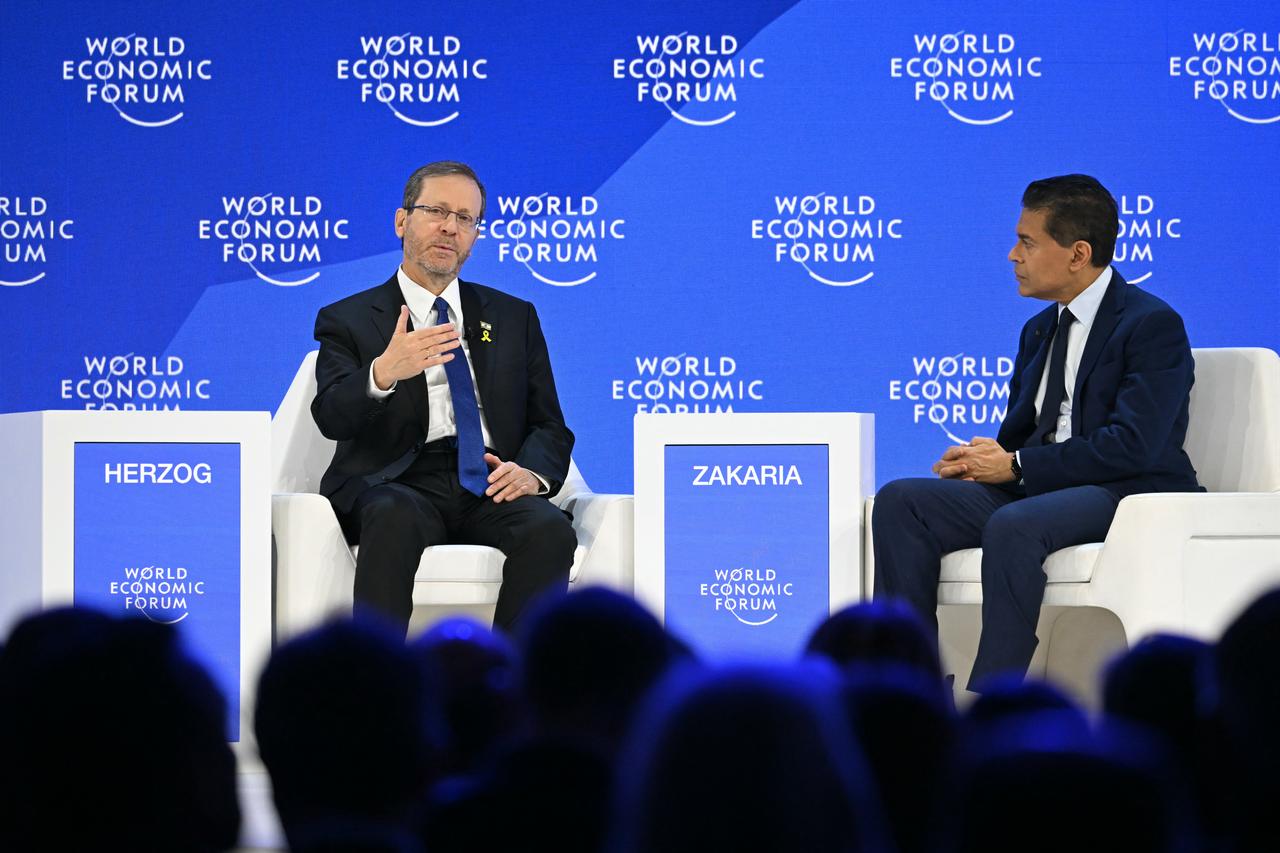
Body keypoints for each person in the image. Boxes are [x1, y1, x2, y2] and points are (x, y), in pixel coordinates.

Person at [872, 174, 1201, 689]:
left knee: (1015, 525)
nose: (1012, 255)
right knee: (902, 502)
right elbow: (1025, 437)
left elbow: (1136, 444)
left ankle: (995, 697)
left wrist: (1018, 466)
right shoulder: (1040, 328)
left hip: (1125, 488)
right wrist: (986, 461)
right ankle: (902, 687)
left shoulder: (1151, 325)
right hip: (1043, 486)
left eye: (1027, 242)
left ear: (1077, 254)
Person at [311, 160, 576, 635]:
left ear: (475, 235)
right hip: (398, 482)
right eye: (436, 211)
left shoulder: (515, 317)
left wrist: (531, 474)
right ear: (402, 220)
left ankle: (510, 690)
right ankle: (382, 689)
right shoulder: (348, 318)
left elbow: (550, 424)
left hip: (489, 480)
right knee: (390, 517)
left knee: (550, 531)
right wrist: (382, 374)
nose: (450, 228)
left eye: (466, 218)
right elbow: (331, 416)